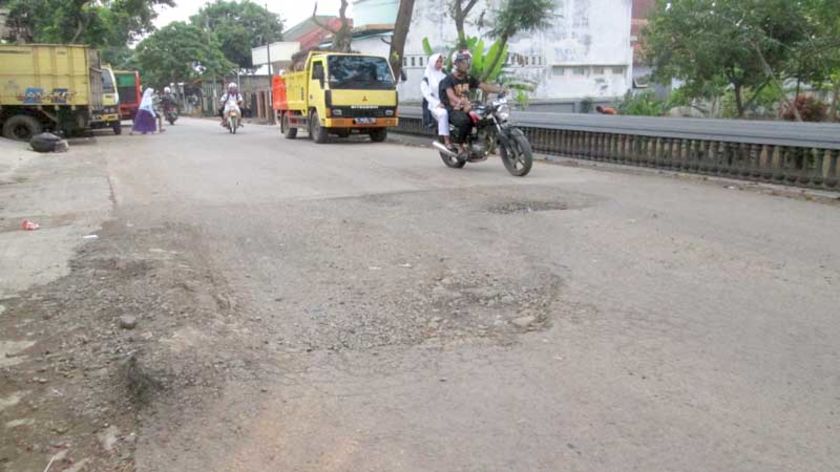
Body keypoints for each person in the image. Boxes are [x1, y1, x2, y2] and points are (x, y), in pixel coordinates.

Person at [439, 52, 506, 154]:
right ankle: (460, 145)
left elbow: (483, 86)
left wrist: (499, 90)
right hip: (453, 108)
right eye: (463, 62)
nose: (466, 64)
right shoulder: (449, 79)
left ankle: (485, 142)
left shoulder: (468, 77)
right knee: (465, 121)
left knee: (484, 118)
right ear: (455, 63)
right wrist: (461, 102)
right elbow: (450, 96)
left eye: (467, 62)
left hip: (467, 106)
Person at [420, 53, 451, 148]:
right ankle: (446, 140)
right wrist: (437, 103)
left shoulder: (445, 75)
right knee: (443, 114)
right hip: (434, 105)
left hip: (447, 102)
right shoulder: (427, 78)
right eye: (437, 61)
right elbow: (427, 94)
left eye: (441, 61)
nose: (439, 63)